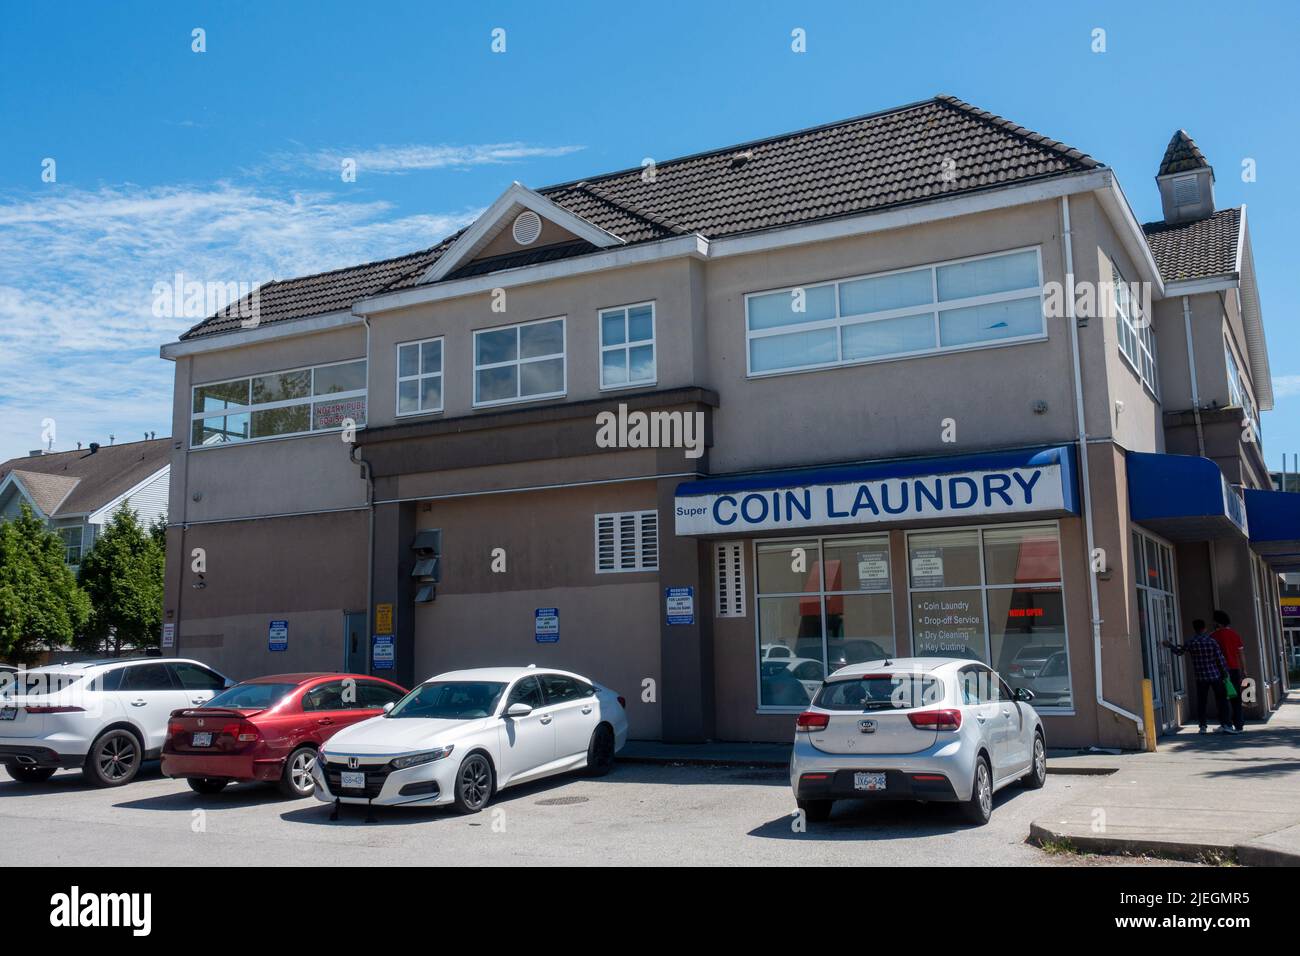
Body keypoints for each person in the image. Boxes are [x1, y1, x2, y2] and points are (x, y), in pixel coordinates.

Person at [1164, 619, 1236, 734]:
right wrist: (1225, 672)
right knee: (1221, 700)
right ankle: (1226, 724)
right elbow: (1220, 659)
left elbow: (1179, 652)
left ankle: (1202, 726)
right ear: (1204, 628)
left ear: (1195, 629)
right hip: (1215, 675)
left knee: (1202, 702)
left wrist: (1170, 645)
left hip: (1200, 677)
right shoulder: (1212, 642)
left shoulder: (1191, 642)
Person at [1211, 610, 1247, 732]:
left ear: (1218, 622)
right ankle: (1239, 724)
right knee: (1235, 697)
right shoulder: (1235, 635)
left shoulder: (1213, 636)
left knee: (1222, 697)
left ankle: (1226, 724)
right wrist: (1244, 669)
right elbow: (1241, 654)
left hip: (1220, 670)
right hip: (1234, 668)